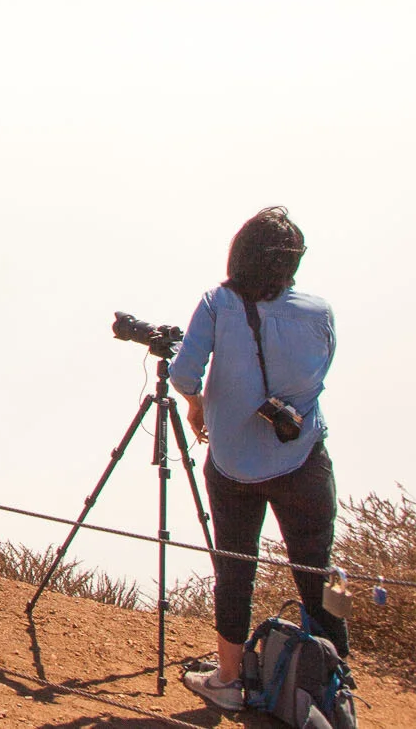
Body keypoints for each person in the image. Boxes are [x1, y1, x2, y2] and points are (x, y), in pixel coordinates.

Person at [175, 206, 343, 711]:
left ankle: (228, 680)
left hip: (233, 468)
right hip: (304, 460)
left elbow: (185, 372)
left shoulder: (216, 303)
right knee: (317, 572)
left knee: (235, 570)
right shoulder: (320, 312)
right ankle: (331, 687)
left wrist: (196, 404)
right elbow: (318, 374)